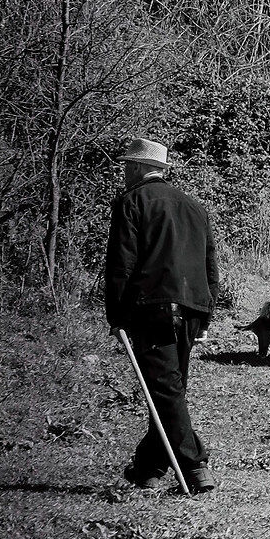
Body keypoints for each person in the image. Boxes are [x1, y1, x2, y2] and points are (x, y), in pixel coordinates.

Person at [104, 138, 218, 493]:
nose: (124, 173)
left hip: (153, 308)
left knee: (166, 391)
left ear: (138, 168)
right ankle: (149, 467)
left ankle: (195, 465)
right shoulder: (194, 206)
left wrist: (116, 313)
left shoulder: (131, 202)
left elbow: (121, 263)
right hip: (192, 307)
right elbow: (209, 265)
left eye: (127, 166)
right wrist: (206, 313)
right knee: (168, 388)